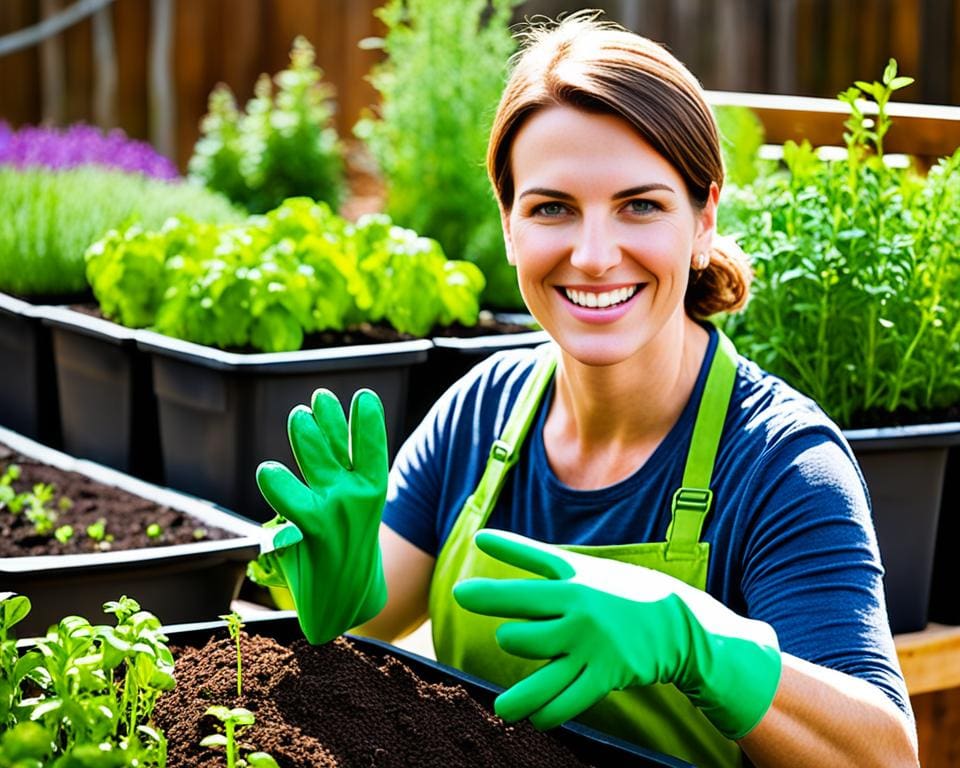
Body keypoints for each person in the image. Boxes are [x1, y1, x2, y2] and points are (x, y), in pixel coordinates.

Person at [253, 11, 919, 767]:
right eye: (551, 208)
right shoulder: (482, 411)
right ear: (507, 224)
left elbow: (887, 757)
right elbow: (369, 620)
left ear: (703, 218)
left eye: (640, 204)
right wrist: (341, 593)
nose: (595, 255)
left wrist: (698, 644)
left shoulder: (781, 468)